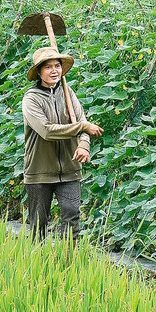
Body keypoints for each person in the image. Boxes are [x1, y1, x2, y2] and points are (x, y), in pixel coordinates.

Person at [22, 46, 103, 240]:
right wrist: (82, 127)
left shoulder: (68, 93)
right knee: (38, 223)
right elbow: (47, 131)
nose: (54, 70)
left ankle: (69, 261)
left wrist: (84, 145)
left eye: (57, 65)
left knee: (71, 215)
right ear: (39, 72)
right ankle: (37, 264)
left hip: (69, 167)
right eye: (48, 67)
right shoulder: (31, 99)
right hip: (39, 170)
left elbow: (81, 121)